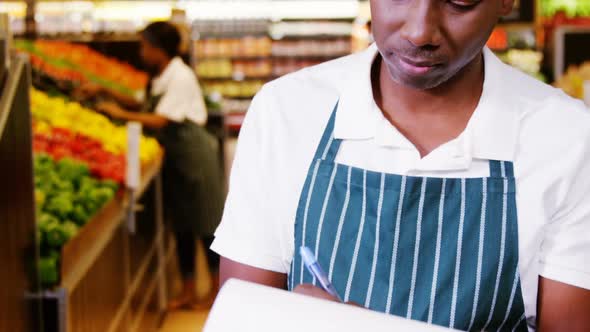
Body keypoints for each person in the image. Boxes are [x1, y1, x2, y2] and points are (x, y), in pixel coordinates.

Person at [211, 0, 590, 331]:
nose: (420, 31)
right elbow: (243, 316)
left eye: (459, 2)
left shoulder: (564, 136)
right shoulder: (286, 111)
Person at [86, 22, 225, 310]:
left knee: (206, 226)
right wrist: (106, 91)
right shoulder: (162, 75)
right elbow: (145, 104)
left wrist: (119, 113)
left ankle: (216, 293)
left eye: (145, 46)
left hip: (194, 156)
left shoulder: (180, 76)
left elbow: (161, 120)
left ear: (158, 49)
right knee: (184, 227)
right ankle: (189, 290)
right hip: (176, 157)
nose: (141, 52)